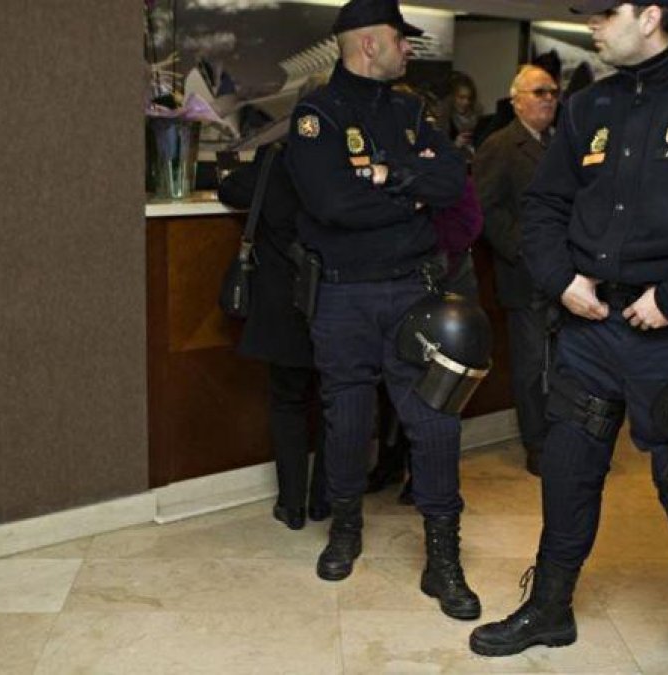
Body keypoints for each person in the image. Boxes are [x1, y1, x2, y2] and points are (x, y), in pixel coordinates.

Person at [468, 2, 668, 672]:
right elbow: (547, 203)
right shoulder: (589, 106)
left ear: (651, 15)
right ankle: (550, 607)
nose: (590, 23)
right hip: (588, 328)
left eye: (603, 11)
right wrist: (560, 280)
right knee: (567, 473)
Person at [283, 0, 482, 621]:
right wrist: (411, 192)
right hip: (343, 294)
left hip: (415, 291)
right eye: (402, 40)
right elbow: (331, 204)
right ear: (369, 44)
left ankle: (443, 558)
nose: (409, 51)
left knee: (435, 421)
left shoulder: (410, 109)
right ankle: (346, 531)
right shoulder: (316, 116)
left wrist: (382, 174)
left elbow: (453, 183)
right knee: (347, 419)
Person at [218, 142, 329, 531]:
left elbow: (230, 190)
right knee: (337, 404)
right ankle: (323, 501)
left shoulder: (276, 159)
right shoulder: (347, 159)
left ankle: (292, 503)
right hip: (334, 300)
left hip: (284, 304)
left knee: (288, 403)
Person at [473, 65, 560, 477]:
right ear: (517, 100)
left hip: (564, 272)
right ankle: (537, 444)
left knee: (562, 362)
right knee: (530, 366)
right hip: (524, 276)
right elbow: (486, 209)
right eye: (540, 91)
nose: (548, 99)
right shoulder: (500, 145)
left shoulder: (558, 143)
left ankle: (560, 438)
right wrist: (520, 250)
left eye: (553, 92)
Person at [437, 72, 482, 160]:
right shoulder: (443, 120)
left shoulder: (478, 117)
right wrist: (455, 145)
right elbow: (437, 152)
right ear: (452, 97)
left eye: (469, 98)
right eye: (461, 97)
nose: (466, 102)